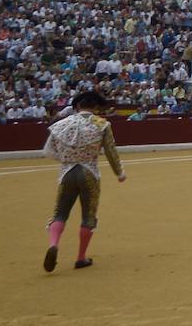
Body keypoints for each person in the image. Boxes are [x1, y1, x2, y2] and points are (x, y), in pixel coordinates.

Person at [41, 91, 127, 272]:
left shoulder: (62, 124)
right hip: (89, 173)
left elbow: (48, 151)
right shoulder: (101, 124)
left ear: (77, 106)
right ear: (96, 108)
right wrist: (119, 173)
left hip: (67, 172)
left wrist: (66, 158)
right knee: (88, 216)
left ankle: (53, 244)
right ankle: (80, 258)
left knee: (60, 213)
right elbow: (111, 152)